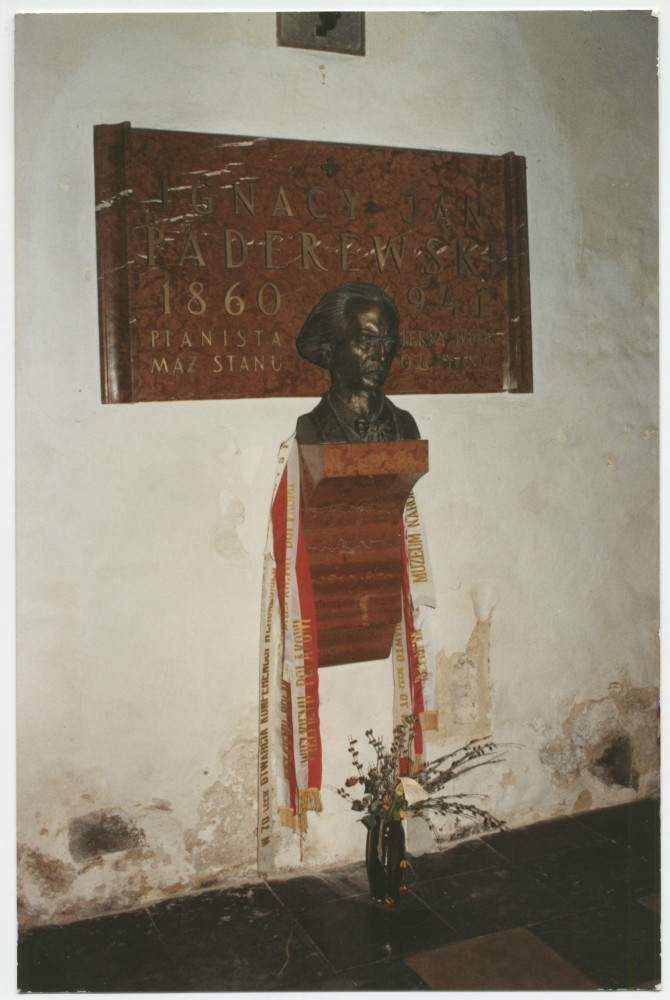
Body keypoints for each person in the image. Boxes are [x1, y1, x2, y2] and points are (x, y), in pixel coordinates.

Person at [295, 282, 420, 444]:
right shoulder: (314, 426)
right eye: (366, 341)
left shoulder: (405, 423)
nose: (382, 356)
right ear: (331, 347)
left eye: (388, 342)